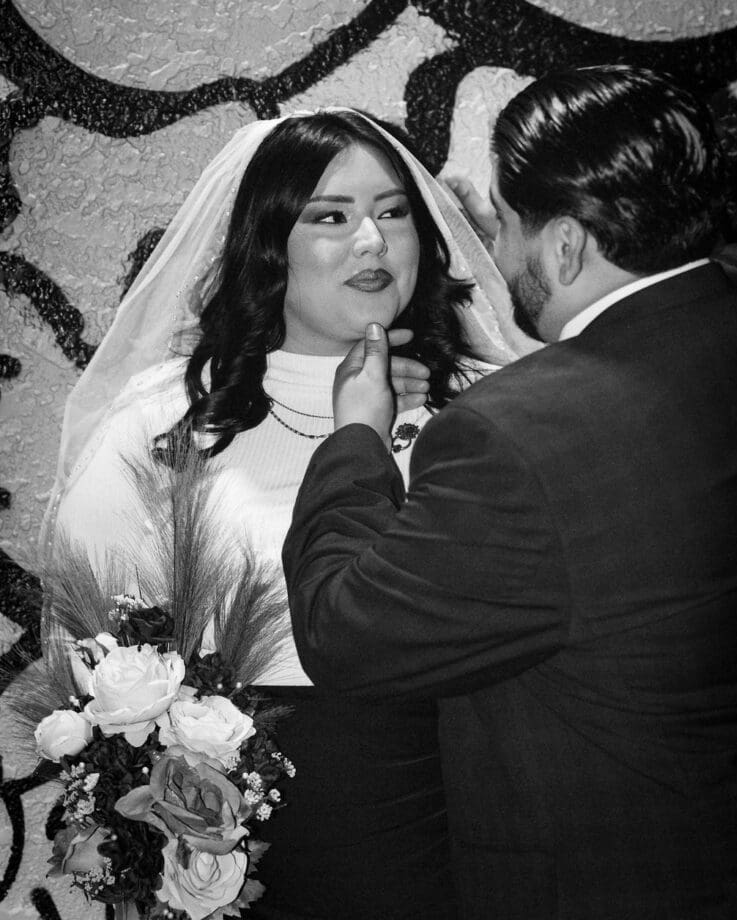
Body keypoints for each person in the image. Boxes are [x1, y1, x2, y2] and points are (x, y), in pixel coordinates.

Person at [282, 67, 737, 919]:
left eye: (501, 222)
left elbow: (344, 634)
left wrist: (356, 434)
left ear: (565, 245)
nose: (491, 253)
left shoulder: (516, 433)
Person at [42, 109, 521, 919]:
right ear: (269, 244)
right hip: (253, 855)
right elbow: (84, 651)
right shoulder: (165, 424)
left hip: (479, 825)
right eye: (330, 217)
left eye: (393, 210)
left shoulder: (492, 405)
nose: (372, 241)